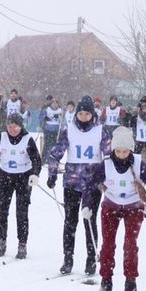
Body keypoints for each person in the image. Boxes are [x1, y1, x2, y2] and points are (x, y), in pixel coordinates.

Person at [94, 125, 146, 291]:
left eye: (125, 151)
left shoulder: (138, 163)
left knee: (130, 244)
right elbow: (90, 184)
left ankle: (130, 282)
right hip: (111, 206)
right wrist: (86, 205)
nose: (121, 154)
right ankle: (106, 281)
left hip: (133, 207)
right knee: (107, 244)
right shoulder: (106, 164)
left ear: (130, 149)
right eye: (118, 151)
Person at [45, 95, 105, 276]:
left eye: (87, 114)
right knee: (70, 222)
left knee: (89, 221)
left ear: (92, 114)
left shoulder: (100, 131)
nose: (84, 117)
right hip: (72, 183)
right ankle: (68, 258)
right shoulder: (69, 130)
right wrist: (52, 174)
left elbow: (109, 156)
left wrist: (109, 179)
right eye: (81, 113)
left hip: (93, 184)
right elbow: (55, 154)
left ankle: (91, 258)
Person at [0, 111, 42, 259]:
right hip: (5, 177)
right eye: (9, 125)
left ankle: (22, 245)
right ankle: (1, 242)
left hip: (23, 177)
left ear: (21, 126)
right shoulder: (2, 137)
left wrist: (35, 173)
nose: (12, 129)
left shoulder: (27, 139)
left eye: (15, 126)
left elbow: (36, 159)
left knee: (21, 212)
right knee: (2, 210)